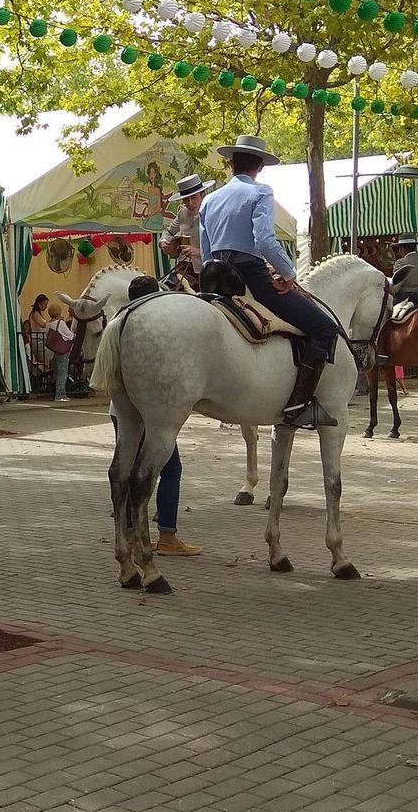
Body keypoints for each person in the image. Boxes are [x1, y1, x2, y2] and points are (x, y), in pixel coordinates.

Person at [198, 134, 340, 429]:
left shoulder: (209, 199)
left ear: (231, 164)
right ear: (260, 166)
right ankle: (299, 404)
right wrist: (288, 273)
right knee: (324, 327)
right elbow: (265, 241)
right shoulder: (260, 192)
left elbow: (205, 252)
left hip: (214, 280)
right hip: (251, 277)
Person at [115, 275, 198, 555]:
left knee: (125, 468)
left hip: (119, 411)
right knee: (169, 469)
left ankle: (125, 533)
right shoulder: (152, 330)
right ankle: (166, 535)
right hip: (149, 413)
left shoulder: (122, 319)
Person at [161, 173, 214, 291]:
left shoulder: (212, 214)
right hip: (184, 268)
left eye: (194, 197)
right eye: (186, 199)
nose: (190, 203)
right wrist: (164, 242)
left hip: (207, 270)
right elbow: (168, 232)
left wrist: (199, 252)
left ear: (202, 195)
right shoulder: (182, 213)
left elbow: (222, 244)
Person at [389, 235, 418, 311]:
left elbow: (396, 286)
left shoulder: (400, 262)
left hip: (404, 299)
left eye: (399, 248)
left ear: (402, 248)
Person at [46, 302, 75, 403]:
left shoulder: (48, 324)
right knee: (62, 373)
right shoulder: (61, 323)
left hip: (52, 351)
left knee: (56, 373)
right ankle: (60, 395)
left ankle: (59, 393)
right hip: (62, 351)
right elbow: (69, 335)